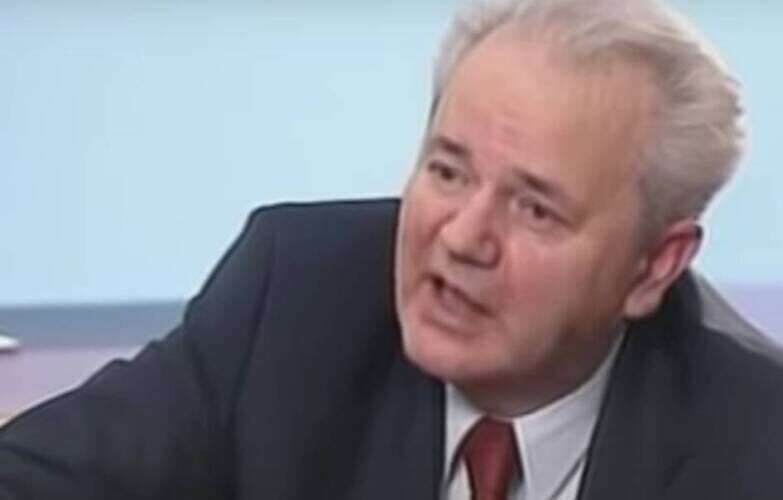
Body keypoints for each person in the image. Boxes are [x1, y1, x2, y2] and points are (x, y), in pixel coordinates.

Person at [2, 0, 782, 499]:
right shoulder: (296, 297)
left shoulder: (753, 440)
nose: (462, 237)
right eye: (447, 171)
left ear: (652, 266)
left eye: (535, 209)